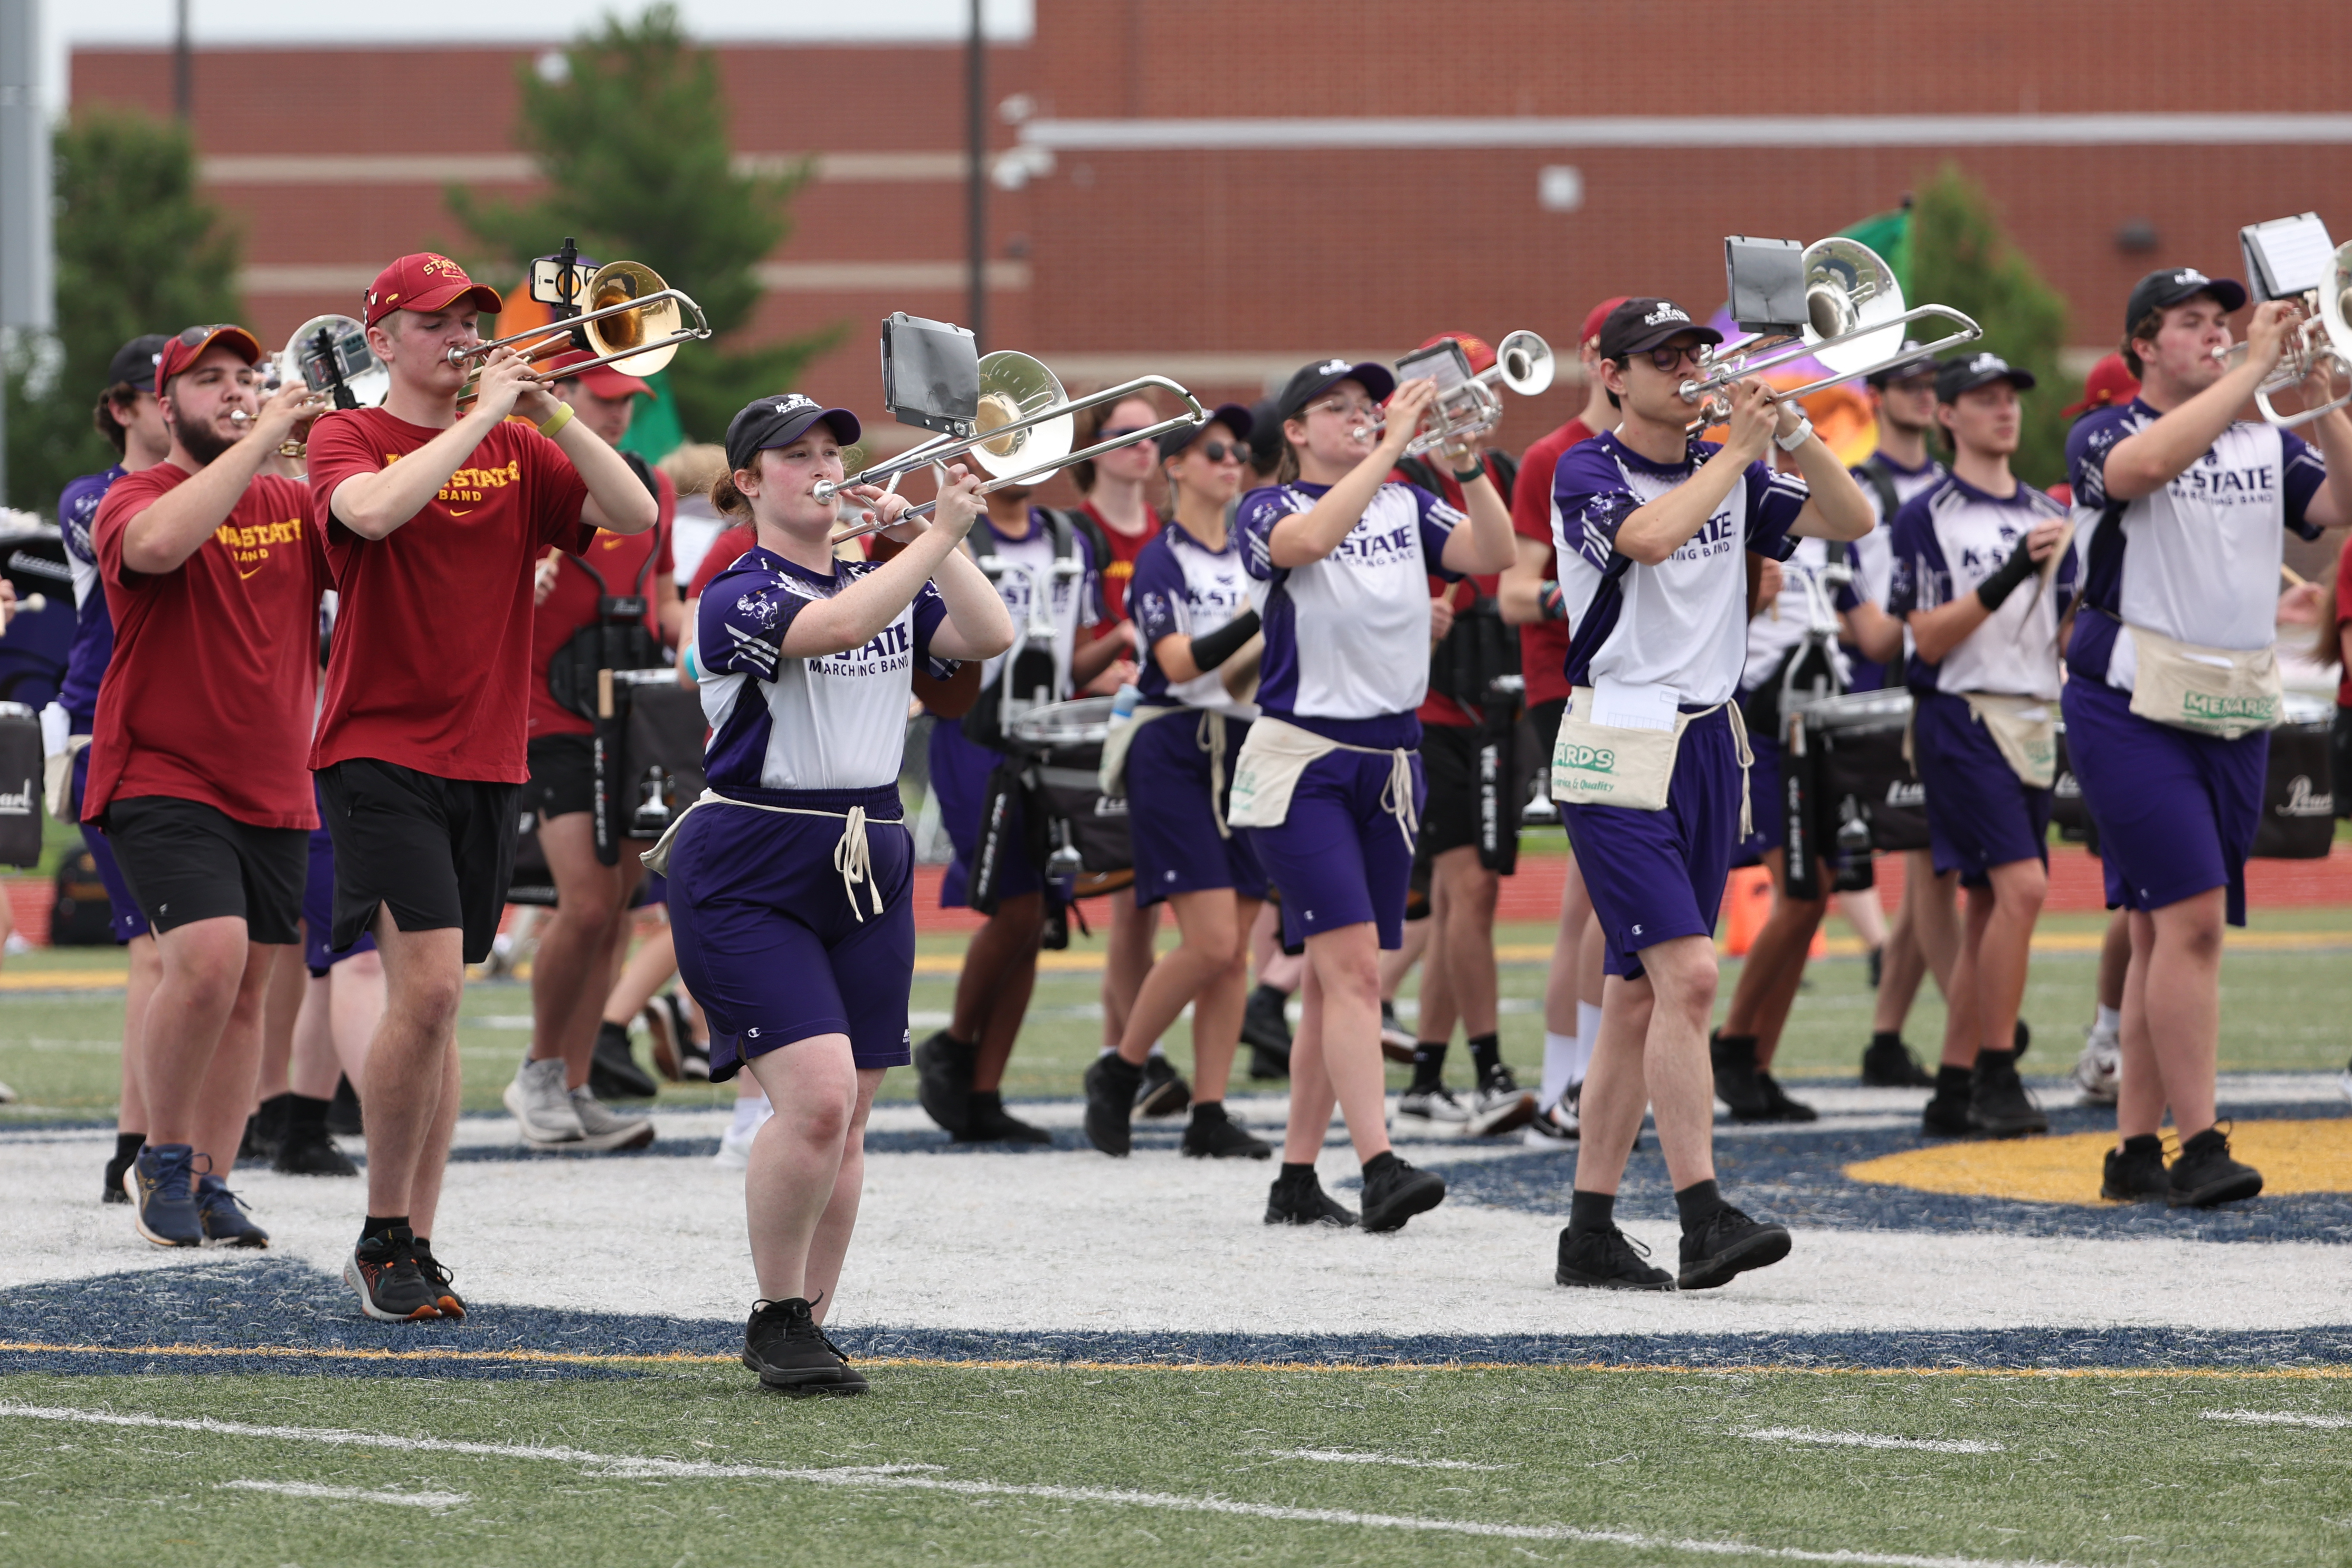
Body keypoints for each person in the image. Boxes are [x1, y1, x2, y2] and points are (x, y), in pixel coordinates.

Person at [307, 253, 659, 1321]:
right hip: (377, 749)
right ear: (383, 341)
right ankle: (380, 1234)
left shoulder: (516, 441)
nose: (458, 338)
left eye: (469, 320)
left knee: (442, 1009)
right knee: (431, 994)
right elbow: (371, 515)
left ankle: (416, 1234)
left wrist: (553, 416)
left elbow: (633, 509)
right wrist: (485, 416)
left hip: (486, 755)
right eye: (435, 324)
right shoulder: (349, 435)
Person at [660, 393, 1010, 1394]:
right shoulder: (736, 588)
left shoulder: (883, 569)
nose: (821, 468)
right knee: (812, 1100)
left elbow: (986, 634)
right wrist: (934, 531)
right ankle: (775, 1312)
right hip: (752, 859)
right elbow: (841, 623)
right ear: (747, 483)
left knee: (850, 1112)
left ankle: (812, 1323)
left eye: (830, 452)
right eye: (795, 455)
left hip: (870, 851)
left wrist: (921, 532)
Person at [1550, 298, 1872, 1291]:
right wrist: (1734, 455)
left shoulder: (1720, 463)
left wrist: (1795, 433)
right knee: (1687, 976)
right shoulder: (1586, 468)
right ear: (1608, 372)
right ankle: (1701, 1216)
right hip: (1616, 735)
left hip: (1704, 740)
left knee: (1640, 994)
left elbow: (1850, 518)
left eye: (1693, 351)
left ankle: (1589, 1229)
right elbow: (1645, 539)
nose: (1685, 369)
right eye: (1662, 358)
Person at [2063, 266, 2351, 1206]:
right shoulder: (2104, 430)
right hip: (2129, 705)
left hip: (2231, 706)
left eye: (2221, 323)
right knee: (2189, 921)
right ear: (2141, 345)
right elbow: (2144, 470)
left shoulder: (2264, 438)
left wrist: (2320, 392)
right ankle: (2201, 1143)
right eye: (2191, 324)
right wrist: (2254, 372)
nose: (2216, 335)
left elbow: (2340, 506)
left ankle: (2133, 1150)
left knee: (2160, 930)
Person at [1232, 354, 1516, 1232]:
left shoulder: (1402, 498)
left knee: (1331, 984)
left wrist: (1466, 465)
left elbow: (1494, 554)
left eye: (1368, 404)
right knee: (1354, 972)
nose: (1359, 415)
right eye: (1337, 407)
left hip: (1391, 761)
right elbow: (1309, 545)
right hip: (1304, 762)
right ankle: (1379, 1163)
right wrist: (1391, 445)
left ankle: (1294, 1177)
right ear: (1294, 431)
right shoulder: (1270, 505)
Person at [86, 323, 336, 1250]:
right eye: (208, 383)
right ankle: (157, 1155)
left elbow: (370, 546)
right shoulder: (136, 493)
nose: (233, 393)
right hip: (161, 770)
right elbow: (157, 548)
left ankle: (211, 1176)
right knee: (208, 958)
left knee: (249, 991)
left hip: (275, 777)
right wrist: (268, 435)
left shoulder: (289, 496)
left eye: (246, 377)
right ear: (163, 407)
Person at [1080, 403, 1275, 1160]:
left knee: (1235, 952)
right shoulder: (1165, 557)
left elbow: (1242, 676)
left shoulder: (1256, 555)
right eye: (1214, 451)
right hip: (1174, 744)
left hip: (1245, 741)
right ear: (1177, 467)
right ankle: (1121, 1068)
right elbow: (1175, 664)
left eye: (1238, 452)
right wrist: (1265, 612)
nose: (1232, 461)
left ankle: (1210, 1109)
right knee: (1210, 938)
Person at [1888, 354, 2072, 1140]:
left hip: (2035, 715)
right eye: (1984, 399)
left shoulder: (2044, 509)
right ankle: (1999, 1072)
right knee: (2023, 888)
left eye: (2011, 398)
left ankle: (1953, 1084)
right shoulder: (1925, 512)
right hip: (1962, 714)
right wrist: (2006, 575)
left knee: (1995, 900)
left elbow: (2059, 630)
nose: (2005, 411)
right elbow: (1924, 637)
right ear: (1947, 415)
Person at [507, 347, 681, 1151]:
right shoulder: (524, 469)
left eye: (624, 401)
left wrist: (699, 643)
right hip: (547, 713)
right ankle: (539, 1071)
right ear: (562, 393)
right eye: (603, 399)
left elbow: (664, 594)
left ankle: (574, 1083)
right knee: (582, 900)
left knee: (616, 902)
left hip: (632, 714)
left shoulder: (654, 484)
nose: (617, 414)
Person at [915, 476, 1124, 1143]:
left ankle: (984, 1090)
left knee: (1039, 916)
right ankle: (951, 1047)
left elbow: (1067, 660)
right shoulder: (948, 531)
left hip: (1051, 741)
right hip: (976, 737)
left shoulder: (1073, 538)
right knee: (1018, 907)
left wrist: (1121, 641)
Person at [1500, 298, 1623, 1146]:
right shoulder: (1553, 455)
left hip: (1649, 685)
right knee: (1595, 894)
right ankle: (1573, 1079)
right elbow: (1513, 588)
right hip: (1569, 684)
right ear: (1594, 359)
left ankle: (1578, 1078)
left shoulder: (1679, 454)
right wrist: (1586, 594)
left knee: (1602, 896)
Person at [56, 335, 174, 1203]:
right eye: (160, 393)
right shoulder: (93, 497)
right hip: (109, 724)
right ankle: (134, 1141)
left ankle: (178, 1133)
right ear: (123, 408)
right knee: (155, 946)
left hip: (187, 729)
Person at [1837, 351, 1959, 1089]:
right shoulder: (1854, 488)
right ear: (1876, 397)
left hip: (1946, 685)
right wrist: (1949, 625)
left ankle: (1886, 1037)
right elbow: (1873, 630)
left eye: (1933, 386)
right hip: (1886, 691)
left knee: (1925, 879)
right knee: (1933, 870)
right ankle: (1980, 1039)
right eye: (1910, 385)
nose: (1925, 397)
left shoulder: (1954, 484)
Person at [1067, 394, 1186, 1115]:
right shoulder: (1078, 534)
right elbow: (1070, 654)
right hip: (1100, 727)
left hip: (1165, 723)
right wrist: (1115, 654)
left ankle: (1126, 1057)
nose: (1144, 446)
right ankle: (1125, 1057)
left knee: (1150, 899)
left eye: (1154, 434)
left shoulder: (1168, 533)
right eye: (1126, 433)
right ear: (1093, 447)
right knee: (1129, 897)